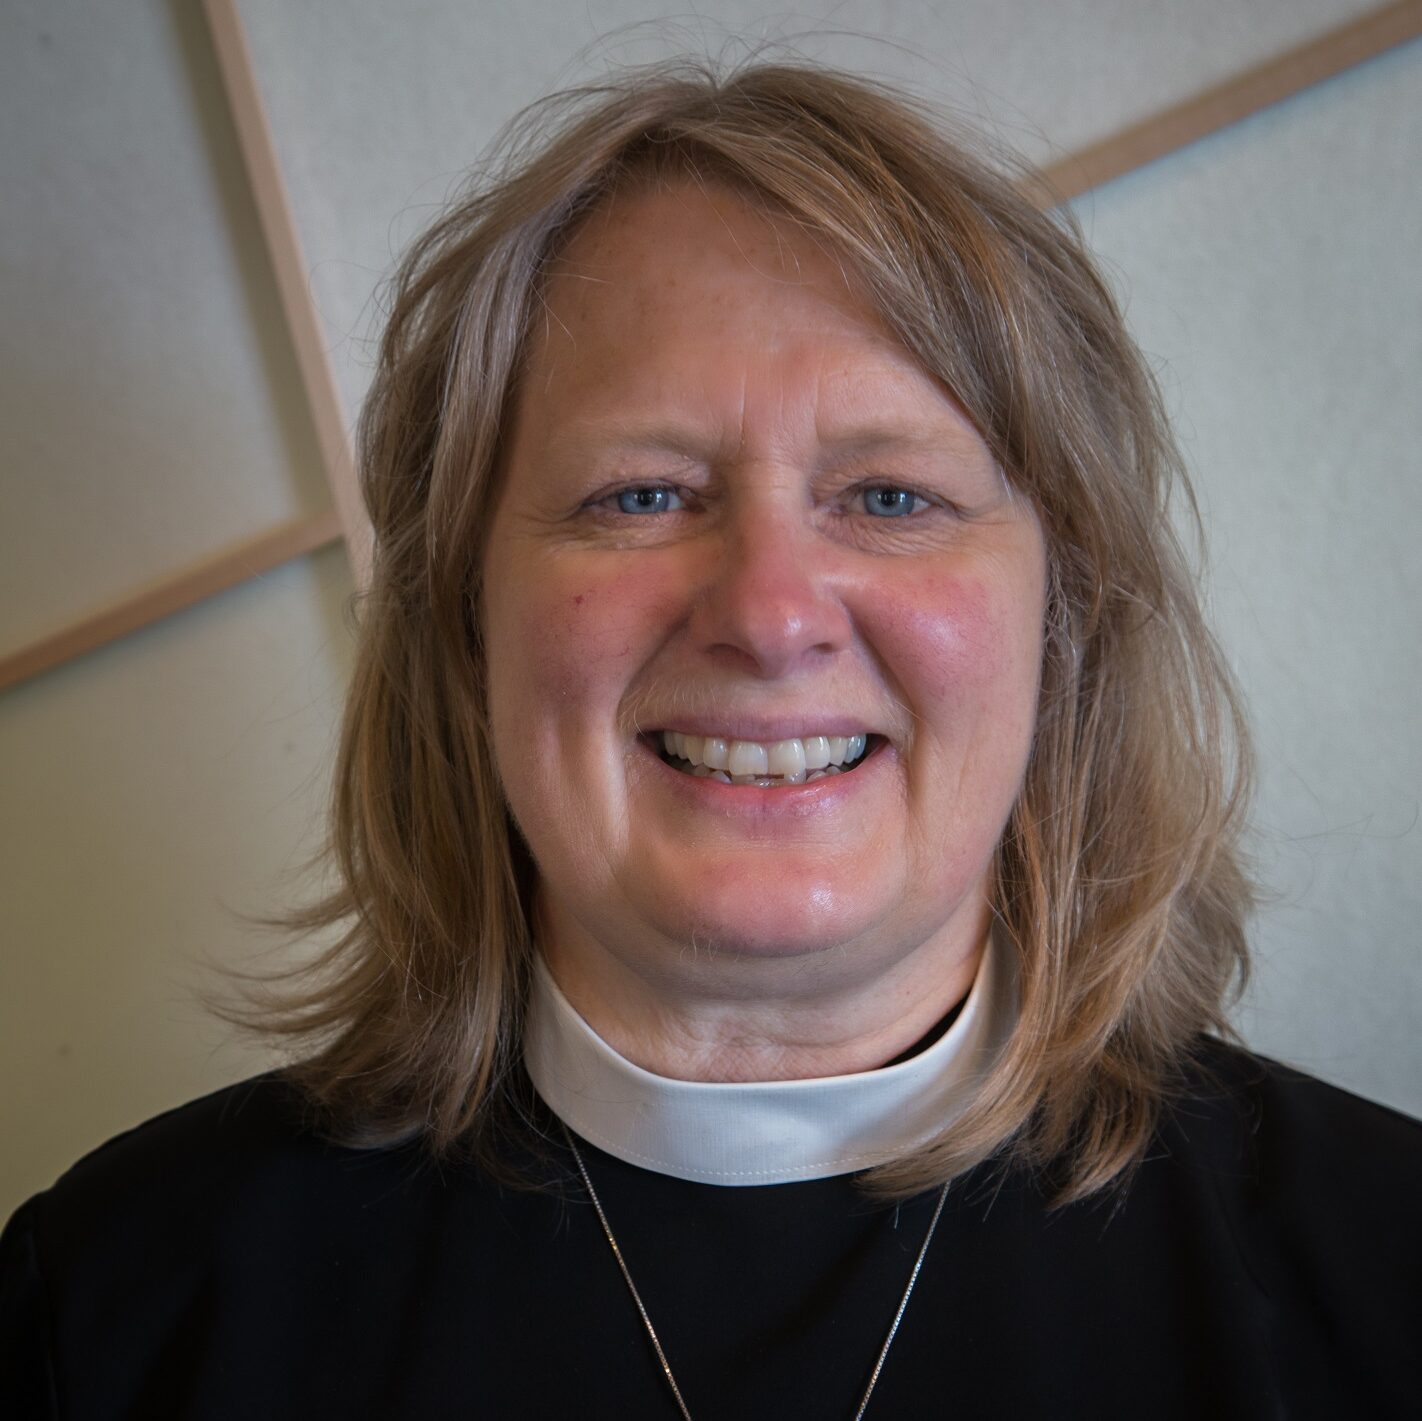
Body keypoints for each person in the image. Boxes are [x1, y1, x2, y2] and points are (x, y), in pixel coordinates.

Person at [2, 60, 1418, 1420]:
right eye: (639, 494)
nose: (768, 611)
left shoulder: (1379, 1271)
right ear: (462, 623)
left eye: (886, 496)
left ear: (1067, 618)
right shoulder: (110, 1311)